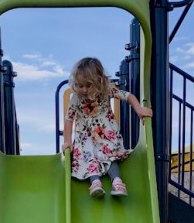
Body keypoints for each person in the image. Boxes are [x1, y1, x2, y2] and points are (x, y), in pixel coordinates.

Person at [61, 56, 152, 198]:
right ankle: (95, 182)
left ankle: (117, 182)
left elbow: (127, 96)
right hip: (86, 137)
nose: (83, 89)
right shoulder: (76, 98)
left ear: (99, 81)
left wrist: (139, 109)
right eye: (80, 85)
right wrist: (67, 140)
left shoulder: (106, 91)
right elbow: (69, 119)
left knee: (109, 155)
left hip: (105, 133)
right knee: (87, 154)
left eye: (88, 85)